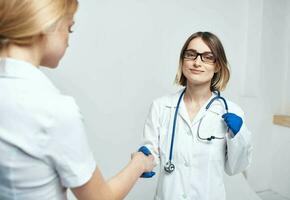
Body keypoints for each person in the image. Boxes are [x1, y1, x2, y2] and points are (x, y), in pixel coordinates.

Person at [0, 0, 155, 199]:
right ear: (45, 24)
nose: (68, 39)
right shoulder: (53, 110)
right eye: (69, 28)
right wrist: (140, 163)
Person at [141, 31, 253, 200]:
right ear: (182, 61)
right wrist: (143, 160)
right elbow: (150, 154)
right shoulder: (161, 107)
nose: (197, 62)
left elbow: (235, 168)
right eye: (191, 55)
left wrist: (239, 136)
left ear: (217, 65)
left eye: (207, 57)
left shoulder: (231, 111)